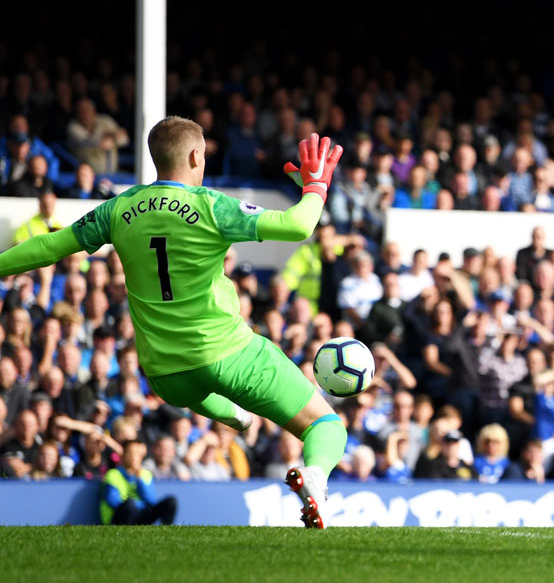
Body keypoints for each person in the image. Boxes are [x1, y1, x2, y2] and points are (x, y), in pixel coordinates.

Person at [0, 118, 348, 529]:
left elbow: (49, 245)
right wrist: (316, 186)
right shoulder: (210, 206)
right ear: (196, 155)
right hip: (227, 354)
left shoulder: (119, 208)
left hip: (166, 375)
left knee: (206, 393)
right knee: (327, 426)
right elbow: (299, 225)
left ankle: (237, 417)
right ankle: (315, 478)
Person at [100, 439, 178, 525]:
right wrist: (135, 505)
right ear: (123, 455)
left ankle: (166, 531)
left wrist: (139, 477)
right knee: (129, 505)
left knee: (171, 502)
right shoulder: (113, 474)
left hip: (141, 515)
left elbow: (151, 500)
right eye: (130, 453)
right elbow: (112, 500)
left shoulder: (145, 474)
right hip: (120, 516)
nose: (134, 456)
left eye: (137, 454)